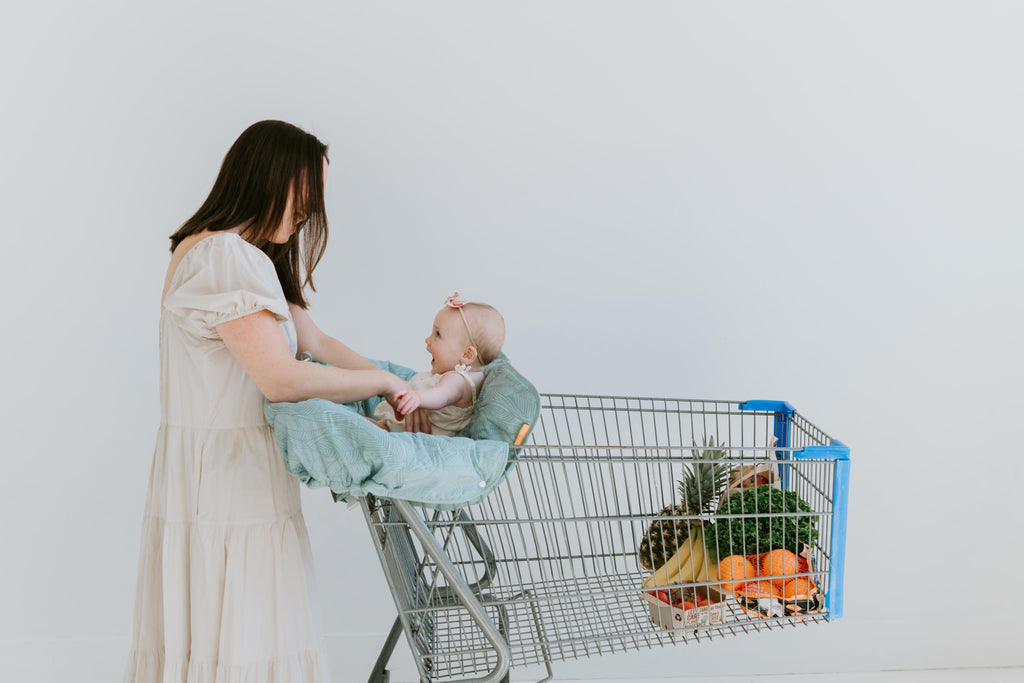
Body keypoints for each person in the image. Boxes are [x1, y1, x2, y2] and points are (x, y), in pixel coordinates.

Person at [123, 120, 409, 683]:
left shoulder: (222, 252)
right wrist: (381, 384)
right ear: (270, 177)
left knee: (219, 629)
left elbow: (316, 344)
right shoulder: (226, 257)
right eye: (306, 190)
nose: (311, 207)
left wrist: (405, 380)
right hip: (229, 477)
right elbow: (281, 378)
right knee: (241, 627)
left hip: (214, 468)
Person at [374, 292, 506, 436]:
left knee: (368, 426)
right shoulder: (476, 375)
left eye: (438, 334)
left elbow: (442, 395)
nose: (428, 340)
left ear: (467, 355)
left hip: (412, 434)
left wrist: (418, 397)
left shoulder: (457, 380)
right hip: (410, 430)